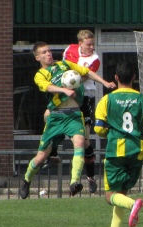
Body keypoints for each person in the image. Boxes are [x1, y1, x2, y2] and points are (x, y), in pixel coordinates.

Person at [19, 42, 116, 199]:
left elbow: (87, 72)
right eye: (44, 52)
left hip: (74, 114)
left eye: (49, 51)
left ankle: (74, 182)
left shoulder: (65, 64)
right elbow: (48, 87)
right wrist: (64, 90)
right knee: (40, 158)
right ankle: (26, 181)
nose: (48, 54)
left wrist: (104, 83)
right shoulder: (40, 75)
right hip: (56, 117)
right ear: (38, 57)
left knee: (80, 143)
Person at [95, 61, 143, 227]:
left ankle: (133, 205)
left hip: (116, 151)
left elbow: (99, 128)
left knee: (110, 197)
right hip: (136, 151)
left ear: (115, 78)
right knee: (120, 194)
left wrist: (110, 134)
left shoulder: (107, 100)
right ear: (134, 78)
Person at [59, 30, 101, 193]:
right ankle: (53, 153)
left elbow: (82, 77)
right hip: (66, 96)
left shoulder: (95, 59)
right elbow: (64, 69)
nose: (92, 47)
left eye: (93, 44)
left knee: (85, 140)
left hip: (85, 98)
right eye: (89, 44)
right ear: (80, 43)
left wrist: (71, 82)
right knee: (48, 117)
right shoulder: (69, 50)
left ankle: (90, 177)